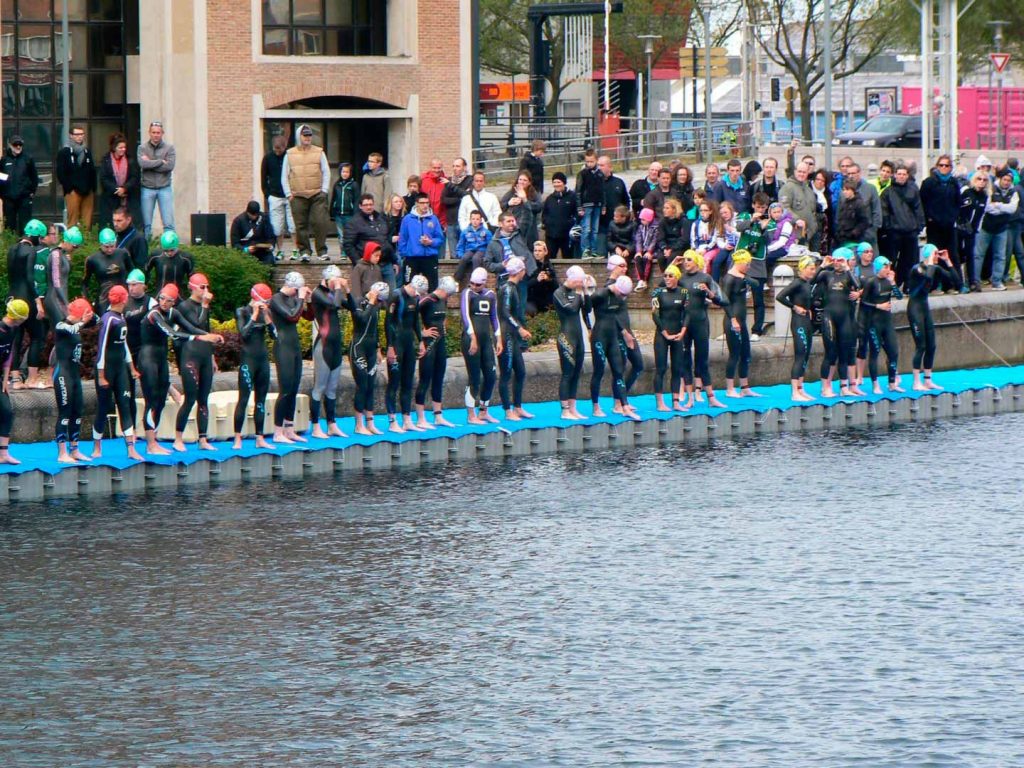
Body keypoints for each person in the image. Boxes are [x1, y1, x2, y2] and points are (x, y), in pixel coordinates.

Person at [138, 284, 219, 455]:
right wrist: (199, 337)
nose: (164, 303)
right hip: (147, 359)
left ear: (174, 302)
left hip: (161, 360)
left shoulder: (173, 313)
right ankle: (150, 444)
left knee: (160, 402)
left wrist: (207, 336)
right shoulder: (154, 314)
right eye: (161, 298)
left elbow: (190, 327)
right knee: (151, 401)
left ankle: (155, 440)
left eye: (168, 300)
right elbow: (172, 333)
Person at [90, 285, 143, 460]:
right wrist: (101, 375)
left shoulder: (120, 317)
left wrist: (131, 367)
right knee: (103, 408)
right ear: (123, 299)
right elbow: (102, 349)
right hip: (106, 370)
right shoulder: (108, 319)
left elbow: (123, 345)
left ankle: (131, 449)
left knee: (125, 406)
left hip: (120, 369)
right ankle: (97, 448)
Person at [174, 273, 221, 452]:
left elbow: (207, 332)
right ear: (192, 287)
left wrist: (212, 357)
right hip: (190, 356)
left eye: (207, 287)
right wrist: (205, 305)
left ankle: (202, 439)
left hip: (204, 356)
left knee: (203, 399)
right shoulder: (184, 307)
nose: (206, 291)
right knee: (190, 398)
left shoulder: (203, 307)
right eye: (203, 287)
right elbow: (198, 327)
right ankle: (178, 437)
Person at [678, 250, 726, 409]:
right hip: (685, 325)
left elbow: (720, 301)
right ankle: (690, 397)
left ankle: (711, 398)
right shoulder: (681, 279)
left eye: (689, 259)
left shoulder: (705, 278)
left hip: (700, 323)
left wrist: (708, 292)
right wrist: (672, 264)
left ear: (697, 262)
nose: (686, 262)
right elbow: (664, 285)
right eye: (684, 260)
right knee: (685, 360)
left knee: (702, 361)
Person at [232, 284, 277, 449]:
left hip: (262, 361)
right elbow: (243, 334)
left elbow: (275, 335)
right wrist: (255, 314)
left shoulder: (266, 313)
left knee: (261, 401)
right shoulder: (242, 311)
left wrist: (266, 317)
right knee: (243, 400)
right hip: (247, 361)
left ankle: (260, 437)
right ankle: (237, 438)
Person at [907, 244, 958, 391]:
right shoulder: (916, 269)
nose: (937, 257)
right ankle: (916, 381)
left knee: (931, 345)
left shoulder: (934, 268)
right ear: (929, 255)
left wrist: (948, 261)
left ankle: (928, 380)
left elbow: (956, 281)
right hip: (914, 309)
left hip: (924, 307)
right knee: (921, 345)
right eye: (935, 254)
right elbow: (928, 278)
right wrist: (930, 261)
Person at [589, 274, 639, 420]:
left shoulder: (620, 297)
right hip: (599, 337)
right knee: (598, 371)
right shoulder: (600, 294)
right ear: (617, 288)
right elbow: (585, 308)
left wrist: (624, 332)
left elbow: (616, 317)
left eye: (625, 295)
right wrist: (588, 328)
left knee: (619, 370)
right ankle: (596, 407)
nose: (623, 297)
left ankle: (623, 406)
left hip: (613, 337)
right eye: (622, 294)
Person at [270, 271, 312, 444]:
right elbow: (292, 316)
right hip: (283, 347)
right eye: (296, 290)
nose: (297, 293)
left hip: (294, 347)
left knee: (294, 389)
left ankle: (289, 428)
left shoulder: (295, 298)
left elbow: (309, 317)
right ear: (291, 286)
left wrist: (307, 300)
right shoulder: (276, 299)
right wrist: (301, 298)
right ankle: (277, 432)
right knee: (285, 390)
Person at [814, 248, 861, 398]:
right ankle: (825, 387)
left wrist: (847, 268)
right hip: (829, 317)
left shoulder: (849, 276)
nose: (837, 263)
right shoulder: (827, 275)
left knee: (844, 353)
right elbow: (811, 281)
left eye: (841, 260)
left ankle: (843, 386)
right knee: (831, 353)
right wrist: (823, 265)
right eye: (835, 260)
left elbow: (858, 285)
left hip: (845, 318)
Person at [6, 219, 47, 390]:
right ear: (36, 237)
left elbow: (11, 276)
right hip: (26, 298)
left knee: (16, 338)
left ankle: (15, 379)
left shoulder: (12, 249)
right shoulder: (30, 251)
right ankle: (32, 378)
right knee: (38, 336)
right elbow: (30, 278)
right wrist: (38, 302)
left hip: (12, 297)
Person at [52, 297, 94, 463]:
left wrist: (89, 315)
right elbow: (73, 328)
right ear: (78, 314)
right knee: (65, 413)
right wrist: (83, 321)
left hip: (74, 375)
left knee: (77, 412)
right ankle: (62, 453)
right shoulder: (61, 325)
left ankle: (74, 450)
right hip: (62, 374)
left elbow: (96, 320)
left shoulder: (79, 324)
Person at [309, 266, 348, 440]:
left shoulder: (334, 292)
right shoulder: (318, 293)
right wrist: (339, 288)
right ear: (328, 280)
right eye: (335, 281)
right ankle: (316, 426)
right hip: (323, 346)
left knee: (332, 389)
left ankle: (332, 424)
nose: (337, 284)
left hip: (336, 346)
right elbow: (335, 304)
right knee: (320, 388)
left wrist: (347, 290)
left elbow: (352, 306)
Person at [384, 275, 426, 433]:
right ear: (413, 287)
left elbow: (416, 321)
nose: (419, 296)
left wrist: (421, 340)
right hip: (396, 344)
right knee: (394, 383)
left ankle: (407, 419)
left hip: (409, 344)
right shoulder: (396, 295)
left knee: (408, 383)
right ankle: (392, 420)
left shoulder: (415, 299)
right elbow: (388, 323)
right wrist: (389, 347)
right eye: (419, 293)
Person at [415, 276, 458, 429]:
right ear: (443, 290)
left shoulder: (443, 300)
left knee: (439, 378)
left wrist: (442, 326)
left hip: (440, 344)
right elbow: (407, 317)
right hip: (428, 345)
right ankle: (420, 418)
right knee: (425, 379)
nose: (449, 297)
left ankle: (438, 416)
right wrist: (421, 333)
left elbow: (441, 318)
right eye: (449, 294)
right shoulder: (427, 300)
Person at [282, 124, 330, 261]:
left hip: (317, 194)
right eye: (305, 135)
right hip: (297, 195)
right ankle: (304, 251)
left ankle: (322, 251)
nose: (308, 137)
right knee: (300, 224)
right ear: (299, 136)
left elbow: (326, 171)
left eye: (309, 135)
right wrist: (288, 194)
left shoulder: (319, 152)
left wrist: (324, 190)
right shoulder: (289, 154)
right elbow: (284, 175)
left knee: (320, 222)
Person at [461, 267, 502, 424]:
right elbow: (465, 316)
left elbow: (495, 318)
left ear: (484, 283)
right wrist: (472, 337)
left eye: (477, 284)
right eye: (471, 283)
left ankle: (484, 411)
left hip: (485, 341)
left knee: (491, 376)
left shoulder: (491, 295)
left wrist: (498, 339)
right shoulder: (467, 293)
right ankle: (471, 415)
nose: (474, 286)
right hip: (470, 341)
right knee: (475, 378)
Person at [348, 281, 389, 436]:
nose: (379, 304)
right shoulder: (359, 302)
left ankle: (370, 422)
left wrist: (378, 348)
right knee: (362, 385)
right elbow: (362, 320)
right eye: (379, 300)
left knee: (371, 385)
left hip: (371, 349)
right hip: (358, 347)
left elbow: (374, 328)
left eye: (380, 302)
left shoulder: (376, 306)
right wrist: (371, 303)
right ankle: (358, 425)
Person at [775, 256, 818, 401]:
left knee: (806, 355)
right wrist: (794, 307)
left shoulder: (807, 283)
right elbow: (780, 296)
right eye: (811, 269)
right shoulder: (797, 283)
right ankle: (794, 392)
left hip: (806, 320)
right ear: (803, 269)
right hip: (798, 322)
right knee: (800, 355)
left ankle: (801, 388)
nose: (814, 271)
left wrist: (808, 309)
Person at [860, 256, 903, 395]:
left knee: (894, 352)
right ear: (878, 267)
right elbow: (863, 303)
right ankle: (875, 384)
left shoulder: (888, 282)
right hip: (874, 322)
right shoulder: (871, 282)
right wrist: (878, 305)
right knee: (875, 353)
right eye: (885, 267)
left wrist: (893, 283)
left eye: (889, 267)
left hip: (887, 322)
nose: (888, 270)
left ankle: (891, 383)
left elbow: (900, 296)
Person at [720, 250, 758, 398]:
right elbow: (724, 301)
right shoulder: (729, 279)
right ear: (740, 263)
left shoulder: (742, 277)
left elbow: (755, 284)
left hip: (741, 321)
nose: (749, 267)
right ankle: (730, 389)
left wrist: (744, 276)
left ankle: (745, 387)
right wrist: (733, 319)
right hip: (732, 321)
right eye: (747, 264)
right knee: (734, 354)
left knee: (746, 354)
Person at [497, 257, 532, 421]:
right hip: (506, 335)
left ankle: (517, 407)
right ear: (520, 272)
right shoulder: (507, 289)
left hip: (512, 335)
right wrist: (519, 329)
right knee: (506, 373)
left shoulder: (513, 288)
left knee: (521, 371)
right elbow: (505, 313)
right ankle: (507, 410)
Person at [973, 169, 1018, 292]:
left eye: (1009, 180)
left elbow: (1012, 209)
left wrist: (998, 205)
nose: (1006, 182)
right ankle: (975, 281)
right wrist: (1003, 208)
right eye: (1004, 179)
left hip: (1002, 228)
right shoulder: (991, 189)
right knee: (978, 255)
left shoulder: (1013, 192)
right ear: (1000, 179)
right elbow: (987, 208)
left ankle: (997, 281)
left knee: (1000, 256)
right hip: (986, 227)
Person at [553, 265, 589, 420]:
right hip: (566, 338)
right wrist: (579, 295)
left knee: (576, 373)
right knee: (568, 373)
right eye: (579, 281)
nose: (580, 284)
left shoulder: (578, 293)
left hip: (578, 337)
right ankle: (564, 410)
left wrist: (586, 293)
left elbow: (586, 310)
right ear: (572, 279)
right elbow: (572, 310)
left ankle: (573, 408)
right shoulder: (558, 293)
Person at [881, 165, 926, 289]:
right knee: (892, 259)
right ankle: (891, 284)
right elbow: (884, 212)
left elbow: (919, 209)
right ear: (895, 175)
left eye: (904, 174)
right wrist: (889, 227)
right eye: (899, 174)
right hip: (894, 232)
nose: (901, 176)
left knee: (910, 260)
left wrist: (919, 226)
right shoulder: (887, 192)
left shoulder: (913, 191)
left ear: (907, 176)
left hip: (910, 231)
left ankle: (907, 284)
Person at [651, 265, 688, 412]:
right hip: (662, 334)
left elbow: (687, 313)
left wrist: (683, 331)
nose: (667, 278)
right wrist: (664, 332)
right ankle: (660, 403)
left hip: (678, 334)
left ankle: (676, 402)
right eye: (665, 276)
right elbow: (655, 314)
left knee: (677, 369)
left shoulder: (684, 292)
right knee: (661, 368)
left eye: (670, 276)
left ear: (677, 277)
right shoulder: (657, 292)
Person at [0, 299, 30, 464]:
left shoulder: (12, 330)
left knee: (6, 412)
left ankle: (3, 454)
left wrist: (6, 379)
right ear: (18, 318)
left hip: (0, 378)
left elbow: (8, 356)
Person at [737, 194, 770, 339]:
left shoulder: (769, 221)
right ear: (753, 205)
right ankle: (734, 327)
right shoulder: (745, 216)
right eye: (758, 207)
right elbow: (739, 227)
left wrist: (763, 229)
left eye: (763, 208)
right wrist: (752, 220)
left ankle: (757, 330)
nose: (760, 210)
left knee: (758, 299)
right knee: (736, 297)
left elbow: (769, 241)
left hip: (758, 263)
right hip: (741, 262)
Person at [137, 121, 175, 238]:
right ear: (149, 133)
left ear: (162, 133)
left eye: (158, 132)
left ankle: (170, 246)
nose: (156, 135)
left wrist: (150, 163)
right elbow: (142, 164)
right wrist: (160, 162)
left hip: (165, 188)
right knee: (146, 224)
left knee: (168, 223)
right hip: (147, 188)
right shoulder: (142, 148)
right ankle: (146, 247)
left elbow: (169, 166)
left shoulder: (169, 148)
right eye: (153, 132)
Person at [399, 192, 445, 289]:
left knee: (432, 287)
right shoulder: (407, 219)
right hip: (412, 258)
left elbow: (440, 238)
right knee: (409, 287)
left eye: (427, 203)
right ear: (416, 203)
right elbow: (403, 239)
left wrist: (430, 242)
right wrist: (404, 255)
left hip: (429, 257)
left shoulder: (433, 219)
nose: (425, 205)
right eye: (422, 203)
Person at [82, 227, 133, 312]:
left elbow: (132, 273)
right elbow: (85, 283)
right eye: (106, 247)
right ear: (100, 244)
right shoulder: (93, 259)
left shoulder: (123, 253)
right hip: (104, 299)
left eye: (112, 246)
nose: (110, 249)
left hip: (123, 296)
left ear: (116, 243)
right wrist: (87, 301)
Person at [55, 125, 96, 229]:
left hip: (87, 190)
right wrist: (69, 189)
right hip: (73, 191)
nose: (80, 137)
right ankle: (71, 242)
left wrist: (92, 188)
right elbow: (60, 172)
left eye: (82, 134)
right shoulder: (64, 152)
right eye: (77, 134)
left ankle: (86, 243)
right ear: (71, 136)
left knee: (86, 222)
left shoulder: (87, 151)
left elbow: (92, 170)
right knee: (72, 221)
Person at [41, 226, 83, 325]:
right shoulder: (56, 254)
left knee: (63, 332)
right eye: (74, 246)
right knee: (63, 331)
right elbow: (57, 282)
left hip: (60, 297)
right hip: (54, 298)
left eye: (77, 247)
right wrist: (66, 303)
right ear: (66, 242)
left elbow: (64, 277)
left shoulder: (63, 254)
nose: (75, 249)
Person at [261, 135, 294, 259]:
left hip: (289, 195)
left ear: (284, 147)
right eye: (275, 149)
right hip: (274, 195)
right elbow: (263, 177)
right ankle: (280, 250)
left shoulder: (289, 157)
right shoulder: (268, 158)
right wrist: (267, 194)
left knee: (293, 225)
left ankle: (295, 249)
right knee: (277, 226)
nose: (277, 151)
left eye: (279, 149)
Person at [98, 134, 140, 230]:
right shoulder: (106, 160)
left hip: (127, 196)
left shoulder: (130, 160)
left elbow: (134, 177)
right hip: (110, 197)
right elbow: (104, 178)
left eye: (124, 147)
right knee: (110, 222)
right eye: (120, 147)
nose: (123, 150)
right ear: (114, 148)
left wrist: (124, 188)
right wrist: (116, 189)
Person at [0, 135, 39, 233]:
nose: (18, 147)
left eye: (20, 144)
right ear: (10, 145)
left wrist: (32, 192)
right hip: (8, 197)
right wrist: (2, 194)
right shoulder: (4, 160)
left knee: (25, 224)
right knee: (9, 225)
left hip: (24, 197)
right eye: (15, 144)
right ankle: (9, 243)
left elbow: (34, 177)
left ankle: (25, 244)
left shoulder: (28, 159)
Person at [959, 171, 989, 290]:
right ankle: (959, 281)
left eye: (984, 180)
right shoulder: (966, 192)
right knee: (959, 255)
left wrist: (976, 229)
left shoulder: (985, 196)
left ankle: (972, 281)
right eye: (979, 179)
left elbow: (982, 214)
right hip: (960, 228)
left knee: (971, 255)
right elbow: (958, 208)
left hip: (972, 230)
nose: (981, 182)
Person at [344, 193, 391, 267]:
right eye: (366, 205)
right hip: (367, 265)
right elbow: (348, 244)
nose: (369, 207)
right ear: (360, 206)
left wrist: (394, 260)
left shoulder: (382, 219)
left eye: (371, 204)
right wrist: (358, 261)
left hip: (386, 263)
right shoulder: (353, 222)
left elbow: (386, 239)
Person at [145, 231, 193, 299]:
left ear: (177, 246)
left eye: (172, 250)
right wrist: (144, 283)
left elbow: (192, 276)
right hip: (159, 295)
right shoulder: (156, 255)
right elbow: (145, 269)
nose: (169, 253)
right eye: (166, 250)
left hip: (178, 296)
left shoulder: (185, 258)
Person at [779, 161, 817, 246]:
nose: (801, 174)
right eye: (799, 171)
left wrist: (814, 227)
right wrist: (796, 220)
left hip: (808, 236)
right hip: (793, 235)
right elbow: (784, 208)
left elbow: (812, 211)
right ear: (795, 171)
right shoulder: (787, 188)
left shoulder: (809, 190)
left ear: (807, 173)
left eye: (804, 172)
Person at [442, 157, 472, 259]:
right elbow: (444, 200)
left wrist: (451, 187)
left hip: (464, 222)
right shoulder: (449, 181)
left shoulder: (470, 180)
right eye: (453, 166)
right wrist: (459, 199)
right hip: (451, 221)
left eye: (458, 166)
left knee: (466, 252)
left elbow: (467, 195)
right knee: (453, 255)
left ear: (464, 167)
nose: (455, 168)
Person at [542, 172, 578, 260]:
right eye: (554, 182)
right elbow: (544, 214)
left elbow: (577, 213)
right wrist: (547, 224)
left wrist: (570, 223)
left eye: (559, 182)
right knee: (550, 259)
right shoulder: (549, 199)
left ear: (564, 182)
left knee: (568, 258)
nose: (556, 184)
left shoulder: (572, 197)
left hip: (567, 235)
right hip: (551, 236)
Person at [575, 149, 604, 259]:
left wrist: (603, 204)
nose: (589, 164)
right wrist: (579, 206)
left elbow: (602, 190)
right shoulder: (582, 174)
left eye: (591, 161)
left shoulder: (600, 174)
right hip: (586, 204)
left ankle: (593, 250)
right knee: (586, 228)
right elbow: (578, 190)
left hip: (597, 204)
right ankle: (585, 250)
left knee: (595, 229)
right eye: (587, 161)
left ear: (596, 161)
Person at [500, 171, 542, 245]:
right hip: (515, 228)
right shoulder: (512, 192)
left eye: (525, 180)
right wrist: (509, 203)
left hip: (530, 229)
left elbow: (538, 207)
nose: (522, 182)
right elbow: (501, 205)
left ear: (529, 182)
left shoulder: (534, 193)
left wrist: (524, 200)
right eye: (520, 179)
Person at [455, 209, 493, 285]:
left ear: (481, 220)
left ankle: (476, 280)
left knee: (476, 258)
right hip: (470, 250)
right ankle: (457, 279)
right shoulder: (465, 232)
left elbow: (490, 246)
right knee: (464, 258)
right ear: (470, 220)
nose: (475, 221)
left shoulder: (486, 232)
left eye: (477, 219)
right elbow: (460, 245)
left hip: (481, 250)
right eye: (473, 219)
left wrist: (487, 256)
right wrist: (460, 254)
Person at [330, 162, 359, 248]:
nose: (345, 174)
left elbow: (357, 200)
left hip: (349, 214)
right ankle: (342, 251)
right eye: (343, 172)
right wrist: (332, 212)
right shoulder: (337, 185)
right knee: (341, 234)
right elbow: (333, 198)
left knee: (349, 234)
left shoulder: (354, 185)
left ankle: (349, 250)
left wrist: (355, 212)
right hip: (338, 214)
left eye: (347, 172)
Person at [383, 193, 407, 289]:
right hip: (391, 248)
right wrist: (391, 238)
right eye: (396, 202)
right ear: (391, 203)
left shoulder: (405, 217)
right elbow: (381, 234)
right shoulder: (385, 218)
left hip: (403, 247)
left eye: (400, 201)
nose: (399, 204)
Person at [527, 240, 558, 314]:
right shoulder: (529, 266)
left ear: (545, 252)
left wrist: (548, 279)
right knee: (531, 311)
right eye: (535, 251)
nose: (537, 253)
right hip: (532, 299)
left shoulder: (549, 266)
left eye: (540, 251)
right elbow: (524, 285)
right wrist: (536, 280)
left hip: (546, 298)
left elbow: (556, 286)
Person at [633, 207, 659, 290]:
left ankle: (644, 280)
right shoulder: (641, 227)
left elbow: (655, 240)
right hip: (643, 249)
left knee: (646, 259)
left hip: (653, 250)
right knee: (638, 258)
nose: (642, 221)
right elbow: (638, 239)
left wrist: (649, 251)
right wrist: (639, 251)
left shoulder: (656, 228)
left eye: (644, 219)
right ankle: (641, 280)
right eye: (641, 219)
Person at [418, 158, 450, 228]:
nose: (436, 170)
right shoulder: (423, 180)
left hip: (441, 222)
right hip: (424, 219)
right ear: (430, 168)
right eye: (434, 168)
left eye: (439, 168)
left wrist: (445, 223)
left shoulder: (446, 182)